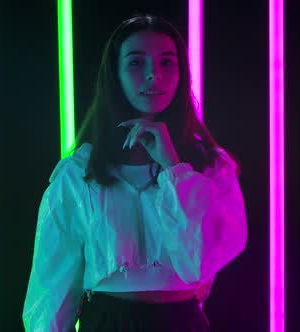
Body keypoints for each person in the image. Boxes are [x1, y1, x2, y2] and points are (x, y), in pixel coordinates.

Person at [22, 14, 248, 332]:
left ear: (182, 72)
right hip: (107, 321)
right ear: (115, 73)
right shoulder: (78, 175)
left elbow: (196, 266)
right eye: (136, 63)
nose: (154, 75)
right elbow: (52, 287)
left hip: (182, 321)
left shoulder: (210, 168)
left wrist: (174, 167)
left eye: (167, 62)